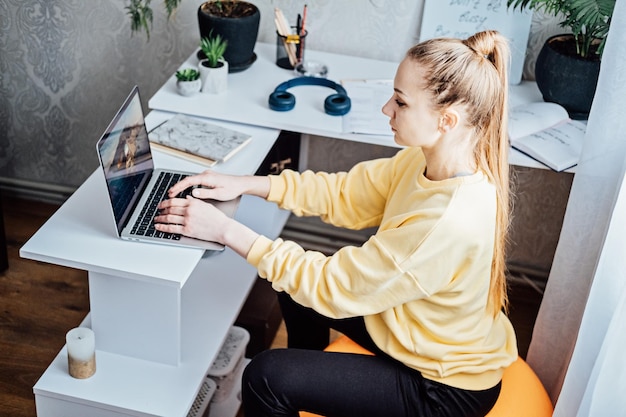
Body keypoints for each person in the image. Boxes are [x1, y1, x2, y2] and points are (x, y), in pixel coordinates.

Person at [154, 29, 517, 417]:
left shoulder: (447, 220)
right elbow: (345, 194)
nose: (386, 110)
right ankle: (305, 389)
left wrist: (224, 230)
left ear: (446, 120)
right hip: (412, 330)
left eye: (400, 102)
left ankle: (289, 390)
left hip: (441, 389)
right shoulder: (430, 160)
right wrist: (248, 183)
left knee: (264, 377)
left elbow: (331, 285)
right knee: (293, 291)